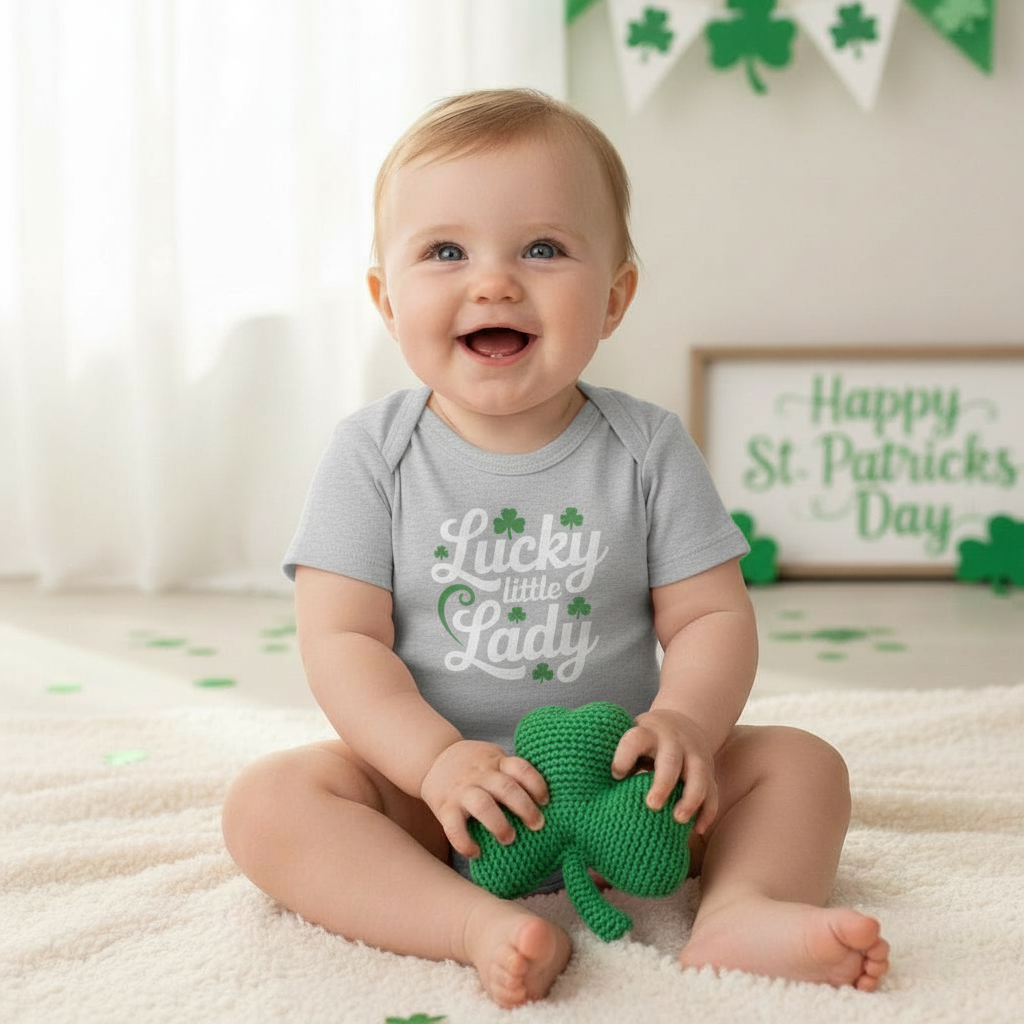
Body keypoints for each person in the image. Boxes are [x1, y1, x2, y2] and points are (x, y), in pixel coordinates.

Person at [221, 88, 889, 1008]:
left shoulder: (647, 448)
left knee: (800, 765)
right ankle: (468, 924)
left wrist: (685, 726)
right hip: (437, 802)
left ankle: (742, 910)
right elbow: (342, 641)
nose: (494, 283)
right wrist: (434, 761)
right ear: (386, 300)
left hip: (626, 787)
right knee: (270, 802)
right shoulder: (372, 454)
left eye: (541, 248)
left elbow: (709, 616)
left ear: (614, 298)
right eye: (445, 252)